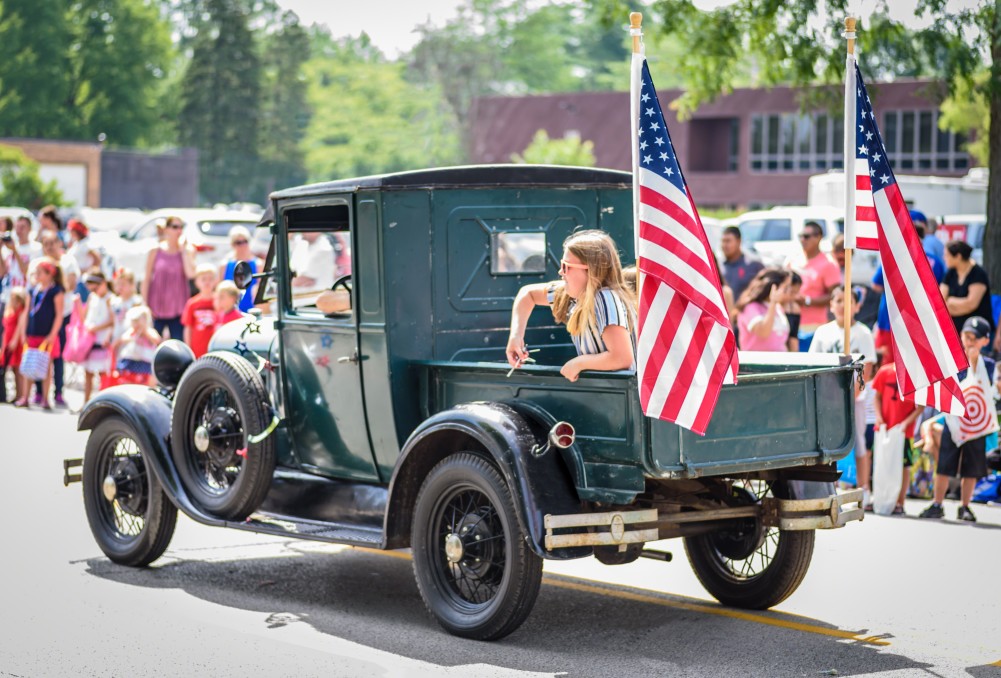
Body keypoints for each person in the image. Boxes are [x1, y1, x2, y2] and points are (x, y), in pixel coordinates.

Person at [507, 230, 635, 382]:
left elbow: (621, 358)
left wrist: (577, 363)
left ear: (590, 270)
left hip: (623, 395)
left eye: (566, 266)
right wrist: (516, 337)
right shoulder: (577, 295)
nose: (560, 272)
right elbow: (528, 294)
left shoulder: (605, 298)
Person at [919, 316, 996, 522]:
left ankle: (965, 506)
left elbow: (984, 388)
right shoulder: (953, 361)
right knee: (945, 464)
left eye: (975, 338)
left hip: (976, 423)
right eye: (967, 336)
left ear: (985, 341)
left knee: (971, 468)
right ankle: (938, 503)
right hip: (954, 421)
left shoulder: (987, 364)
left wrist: (974, 360)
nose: (970, 342)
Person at [809, 285, 878, 505]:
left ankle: (863, 486)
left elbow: (867, 368)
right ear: (831, 304)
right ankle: (830, 485)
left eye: (848, 302)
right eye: (838, 301)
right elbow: (814, 363)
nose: (842, 306)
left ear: (857, 306)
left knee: (857, 438)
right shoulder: (823, 332)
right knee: (827, 439)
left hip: (853, 398)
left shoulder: (863, 333)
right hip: (827, 397)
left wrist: (852, 394)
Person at [871, 350, 924, 514]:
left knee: (903, 466)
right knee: (881, 462)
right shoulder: (885, 371)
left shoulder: (917, 377)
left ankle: (900, 501)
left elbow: (920, 406)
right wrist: (879, 417)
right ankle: (879, 497)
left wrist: (906, 423)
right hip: (884, 428)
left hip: (903, 432)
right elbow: (877, 397)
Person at [31, 232, 79, 406]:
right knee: (38, 353)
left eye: (53, 242)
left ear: (60, 243)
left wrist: (54, 276)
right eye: (46, 243)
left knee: (57, 356)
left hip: (61, 315)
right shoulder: (38, 263)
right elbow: (32, 283)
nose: (50, 246)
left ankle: (58, 391)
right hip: (41, 319)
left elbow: (71, 284)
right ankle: (38, 391)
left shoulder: (68, 261)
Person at [15, 258, 65, 409]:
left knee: (46, 367)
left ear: (50, 274)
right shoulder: (32, 290)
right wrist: (23, 332)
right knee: (29, 364)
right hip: (32, 333)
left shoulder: (56, 291)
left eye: (40, 272)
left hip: (46, 335)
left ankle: (45, 398)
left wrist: (52, 334)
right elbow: (26, 312)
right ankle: (25, 397)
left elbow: (59, 314)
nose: (36, 275)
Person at [786, 221, 841, 351]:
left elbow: (835, 296)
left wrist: (807, 301)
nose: (802, 240)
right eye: (801, 236)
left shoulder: (828, 264)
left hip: (814, 326)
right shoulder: (793, 260)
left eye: (806, 236)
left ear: (818, 237)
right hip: (790, 322)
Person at [144, 216, 195, 341]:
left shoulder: (187, 250)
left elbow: (191, 274)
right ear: (166, 229)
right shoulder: (155, 251)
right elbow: (147, 279)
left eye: (181, 227)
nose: (178, 231)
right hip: (157, 306)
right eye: (175, 227)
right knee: (153, 345)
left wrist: (183, 252)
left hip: (178, 307)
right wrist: (145, 305)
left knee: (177, 345)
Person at [941, 239, 993, 343]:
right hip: (955, 333)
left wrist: (950, 301)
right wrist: (955, 305)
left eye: (947, 255)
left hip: (977, 335)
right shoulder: (950, 273)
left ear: (958, 256)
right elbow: (940, 300)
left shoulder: (978, 274)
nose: (944, 258)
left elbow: (971, 304)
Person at [734, 268, 791, 352]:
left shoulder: (778, 308)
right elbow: (763, 332)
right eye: (785, 287)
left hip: (779, 362)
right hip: (757, 363)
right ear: (773, 287)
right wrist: (773, 303)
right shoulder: (750, 308)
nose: (789, 291)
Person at [80, 269, 114, 404]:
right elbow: (85, 315)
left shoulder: (110, 299)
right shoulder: (92, 298)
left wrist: (97, 328)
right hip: (90, 340)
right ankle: (85, 402)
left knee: (102, 374)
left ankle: (101, 402)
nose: (94, 291)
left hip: (102, 340)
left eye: (96, 288)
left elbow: (112, 320)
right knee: (88, 372)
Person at [113, 305, 161, 386]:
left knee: (148, 383)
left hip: (146, 362)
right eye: (134, 321)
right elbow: (121, 340)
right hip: (132, 361)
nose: (136, 324)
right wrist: (132, 337)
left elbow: (157, 340)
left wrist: (145, 332)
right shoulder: (131, 332)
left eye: (138, 321)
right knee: (128, 382)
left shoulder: (150, 332)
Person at [181, 264, 219, 358]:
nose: (207, 282)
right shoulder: (192, 303)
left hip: (216, 347)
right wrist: (188, 348)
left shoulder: (219, 301)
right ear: (197, 282)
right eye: (203, 279)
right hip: (198, 350)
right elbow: (188, 327)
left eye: (210, 279)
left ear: (215, 281)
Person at [219, 226, 259, 313]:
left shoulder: (258, 265)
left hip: (252, 311)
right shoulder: (225, 266)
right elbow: (219, 293)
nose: (243, 245)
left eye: (245, 241)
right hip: (231, 312)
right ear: (232, 244)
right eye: (238, 242)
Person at [719, 226, 763, 302]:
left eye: (728, 241)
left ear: (739, 242)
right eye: (723, 241)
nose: (724, 245)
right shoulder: (719, 266)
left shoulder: (753, 265)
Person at [0, 287, 27, 403]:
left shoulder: (21, 310)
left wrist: (15, 340)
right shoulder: (8, 310)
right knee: (10, 369)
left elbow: (20, 326)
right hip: (7, 341)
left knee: (18, 370)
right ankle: (15, 395)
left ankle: (20, 394)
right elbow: (5, 329)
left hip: (15, 343)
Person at [110, 269, 143, 346]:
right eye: (118, 284)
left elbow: (138, 326)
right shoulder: (114, 302)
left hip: (131, 341)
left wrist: (122, 340)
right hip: (117, 339)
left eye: (123, 284)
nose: (120, 287)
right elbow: (113, 322)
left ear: (132, 285)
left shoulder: (136, 302)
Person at [784, 272, 802, 352]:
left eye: (796, 293)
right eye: (792, 292)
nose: (794, 296)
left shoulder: (794, 309)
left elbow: (793, 338)